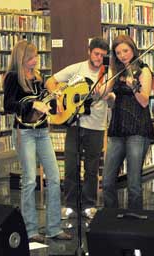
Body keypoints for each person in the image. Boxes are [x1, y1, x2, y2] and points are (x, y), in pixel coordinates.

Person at [3, 40, 72, 242]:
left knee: (53, 177)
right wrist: (32, 105)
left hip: (42, 131)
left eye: (36, 57)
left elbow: (46, 101)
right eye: (32, 57)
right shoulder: (13, 78)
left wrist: (56, 103)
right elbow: (8, 105)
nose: (36, 60)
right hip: (25, 132)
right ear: (22, 58)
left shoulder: (39, 77)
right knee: (30, 179)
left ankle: (54, 228)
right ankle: (30, 230)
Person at [46, 37, 111, 219]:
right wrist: (59, 95)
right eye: (96, 54)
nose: (99, 58)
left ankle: (89, 204)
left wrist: (107, 94)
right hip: (74, 124)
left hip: (96, 126)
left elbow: (109, 94)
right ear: (89, 51)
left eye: (103, 55)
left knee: (91, 167)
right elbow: (50, 81)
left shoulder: (107, 73)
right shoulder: (77, 68)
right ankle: (70, 204)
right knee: (71, 165)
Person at [102, 34, 154, 210]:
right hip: (117, 127)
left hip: (137, 128)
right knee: (108, 180)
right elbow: (108, 97)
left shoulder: (143, 70)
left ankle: (135, 220)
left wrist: (134, 87)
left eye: (125, 50)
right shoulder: (116, 70)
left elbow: (144, 101)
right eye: (118, 53)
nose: (122, 55)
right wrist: (105, 93)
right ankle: (110, 218)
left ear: (132, 49)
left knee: (133, 182)